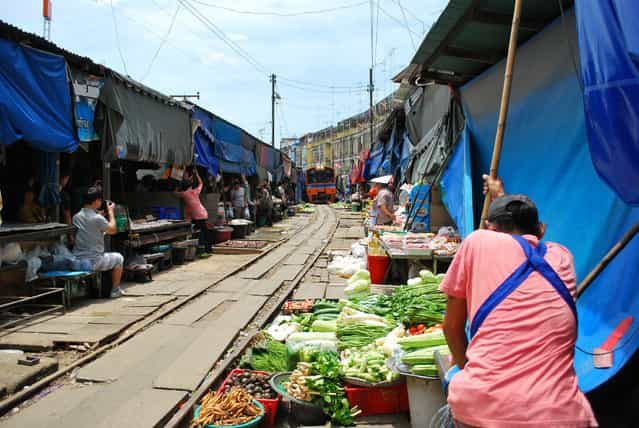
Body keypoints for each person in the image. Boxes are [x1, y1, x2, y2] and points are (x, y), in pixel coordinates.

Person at [439, 175, 597, 428]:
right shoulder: (562, 256)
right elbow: (522, 244)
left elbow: (451, 328)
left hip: (483, 408)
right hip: (563, 414)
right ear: (541, 230)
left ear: (491, 228)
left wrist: (468, 369)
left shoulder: (478, 242)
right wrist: (501, 196)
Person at [72, 187, 125, 298]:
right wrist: (110, 213)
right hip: (94, 261)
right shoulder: (97, 219)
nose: (101, 202)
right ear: (96, 201)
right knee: (119, 258)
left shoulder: (76, 217)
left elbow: (89, 225)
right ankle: (115, 290)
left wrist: (100, 215)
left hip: (77, 258)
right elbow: (113, 230)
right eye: (100, 200)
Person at [174, 168, 212, 254]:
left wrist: (178, 185)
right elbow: (201, 183)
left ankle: (202, 249)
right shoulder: (195, 191)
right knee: (204, 232)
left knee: (198, 232)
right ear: (190, 186)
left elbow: (174, 193)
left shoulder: (184, 194)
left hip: (197, 217)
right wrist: (197, 174)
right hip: (203, 214)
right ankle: (207, 249)